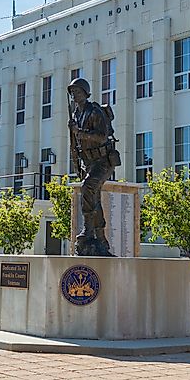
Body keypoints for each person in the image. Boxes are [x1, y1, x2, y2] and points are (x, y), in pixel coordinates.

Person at [67, 77, 120, 257]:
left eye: (78, 91)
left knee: (88, 187)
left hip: (104, 160)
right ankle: (101, 239)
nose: (74, 95)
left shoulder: (94, 111)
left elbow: (102, 137)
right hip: (88, 162)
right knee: (93, 197)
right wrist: (77, 164)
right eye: (72, 92)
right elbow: (74, 145)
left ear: (85, 93)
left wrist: (80, 133)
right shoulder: (75, 115)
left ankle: (88, 230)